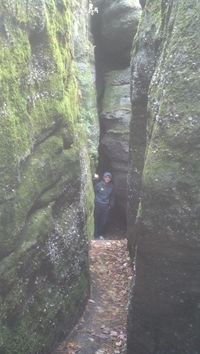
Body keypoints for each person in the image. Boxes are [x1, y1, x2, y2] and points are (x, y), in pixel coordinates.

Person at [94, 172, 115, 239]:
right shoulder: (98, 185)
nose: (107, 179)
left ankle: (100, 234)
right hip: (98, 204)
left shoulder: (111, 187)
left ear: (110, 179)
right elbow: (94, 192)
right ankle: (95, 235)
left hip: (105, 206)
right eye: (106, 177)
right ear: (104, 177)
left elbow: (112, 196)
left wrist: (111, 205)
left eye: (109, 177)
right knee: (97, 219)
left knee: (104, 221)